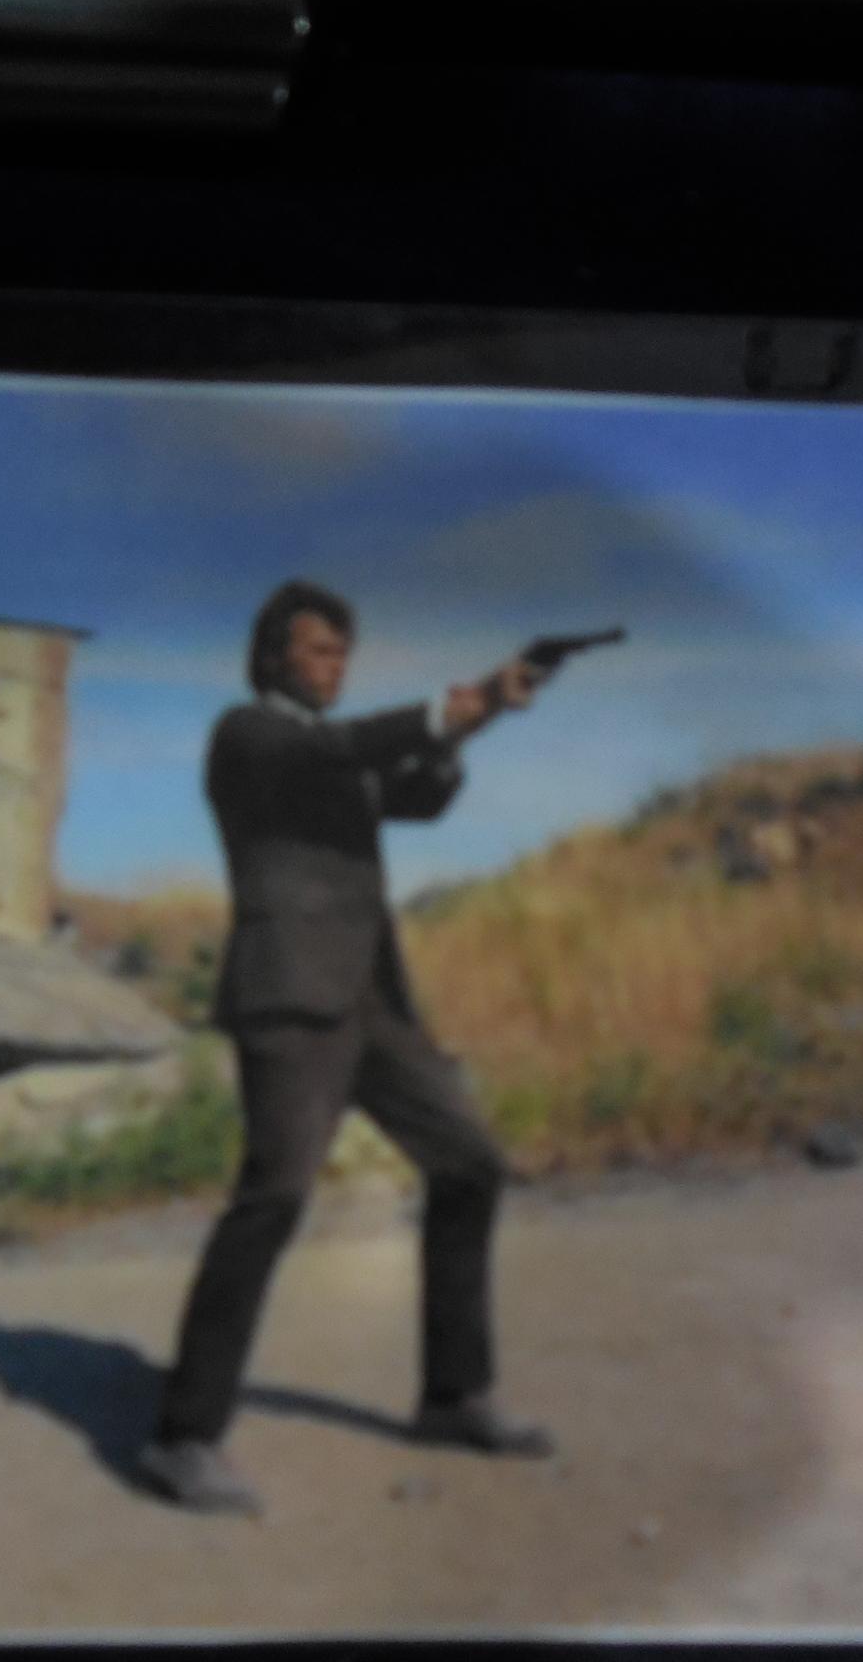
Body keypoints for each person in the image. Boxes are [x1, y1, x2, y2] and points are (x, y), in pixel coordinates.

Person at [138, 579, 555, 1515]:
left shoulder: (336, 756)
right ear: (273, 657)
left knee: (471, 1165)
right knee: (275, 1198)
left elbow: (421, 793)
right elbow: (347, 747)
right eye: (320, 651)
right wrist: (461, 703)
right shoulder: (249, 736)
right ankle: (183, 1436)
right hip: (291, 1000)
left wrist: (480, 719)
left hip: (376, 1002)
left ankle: (453, 1397)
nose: (336, 668)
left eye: (343, 655)